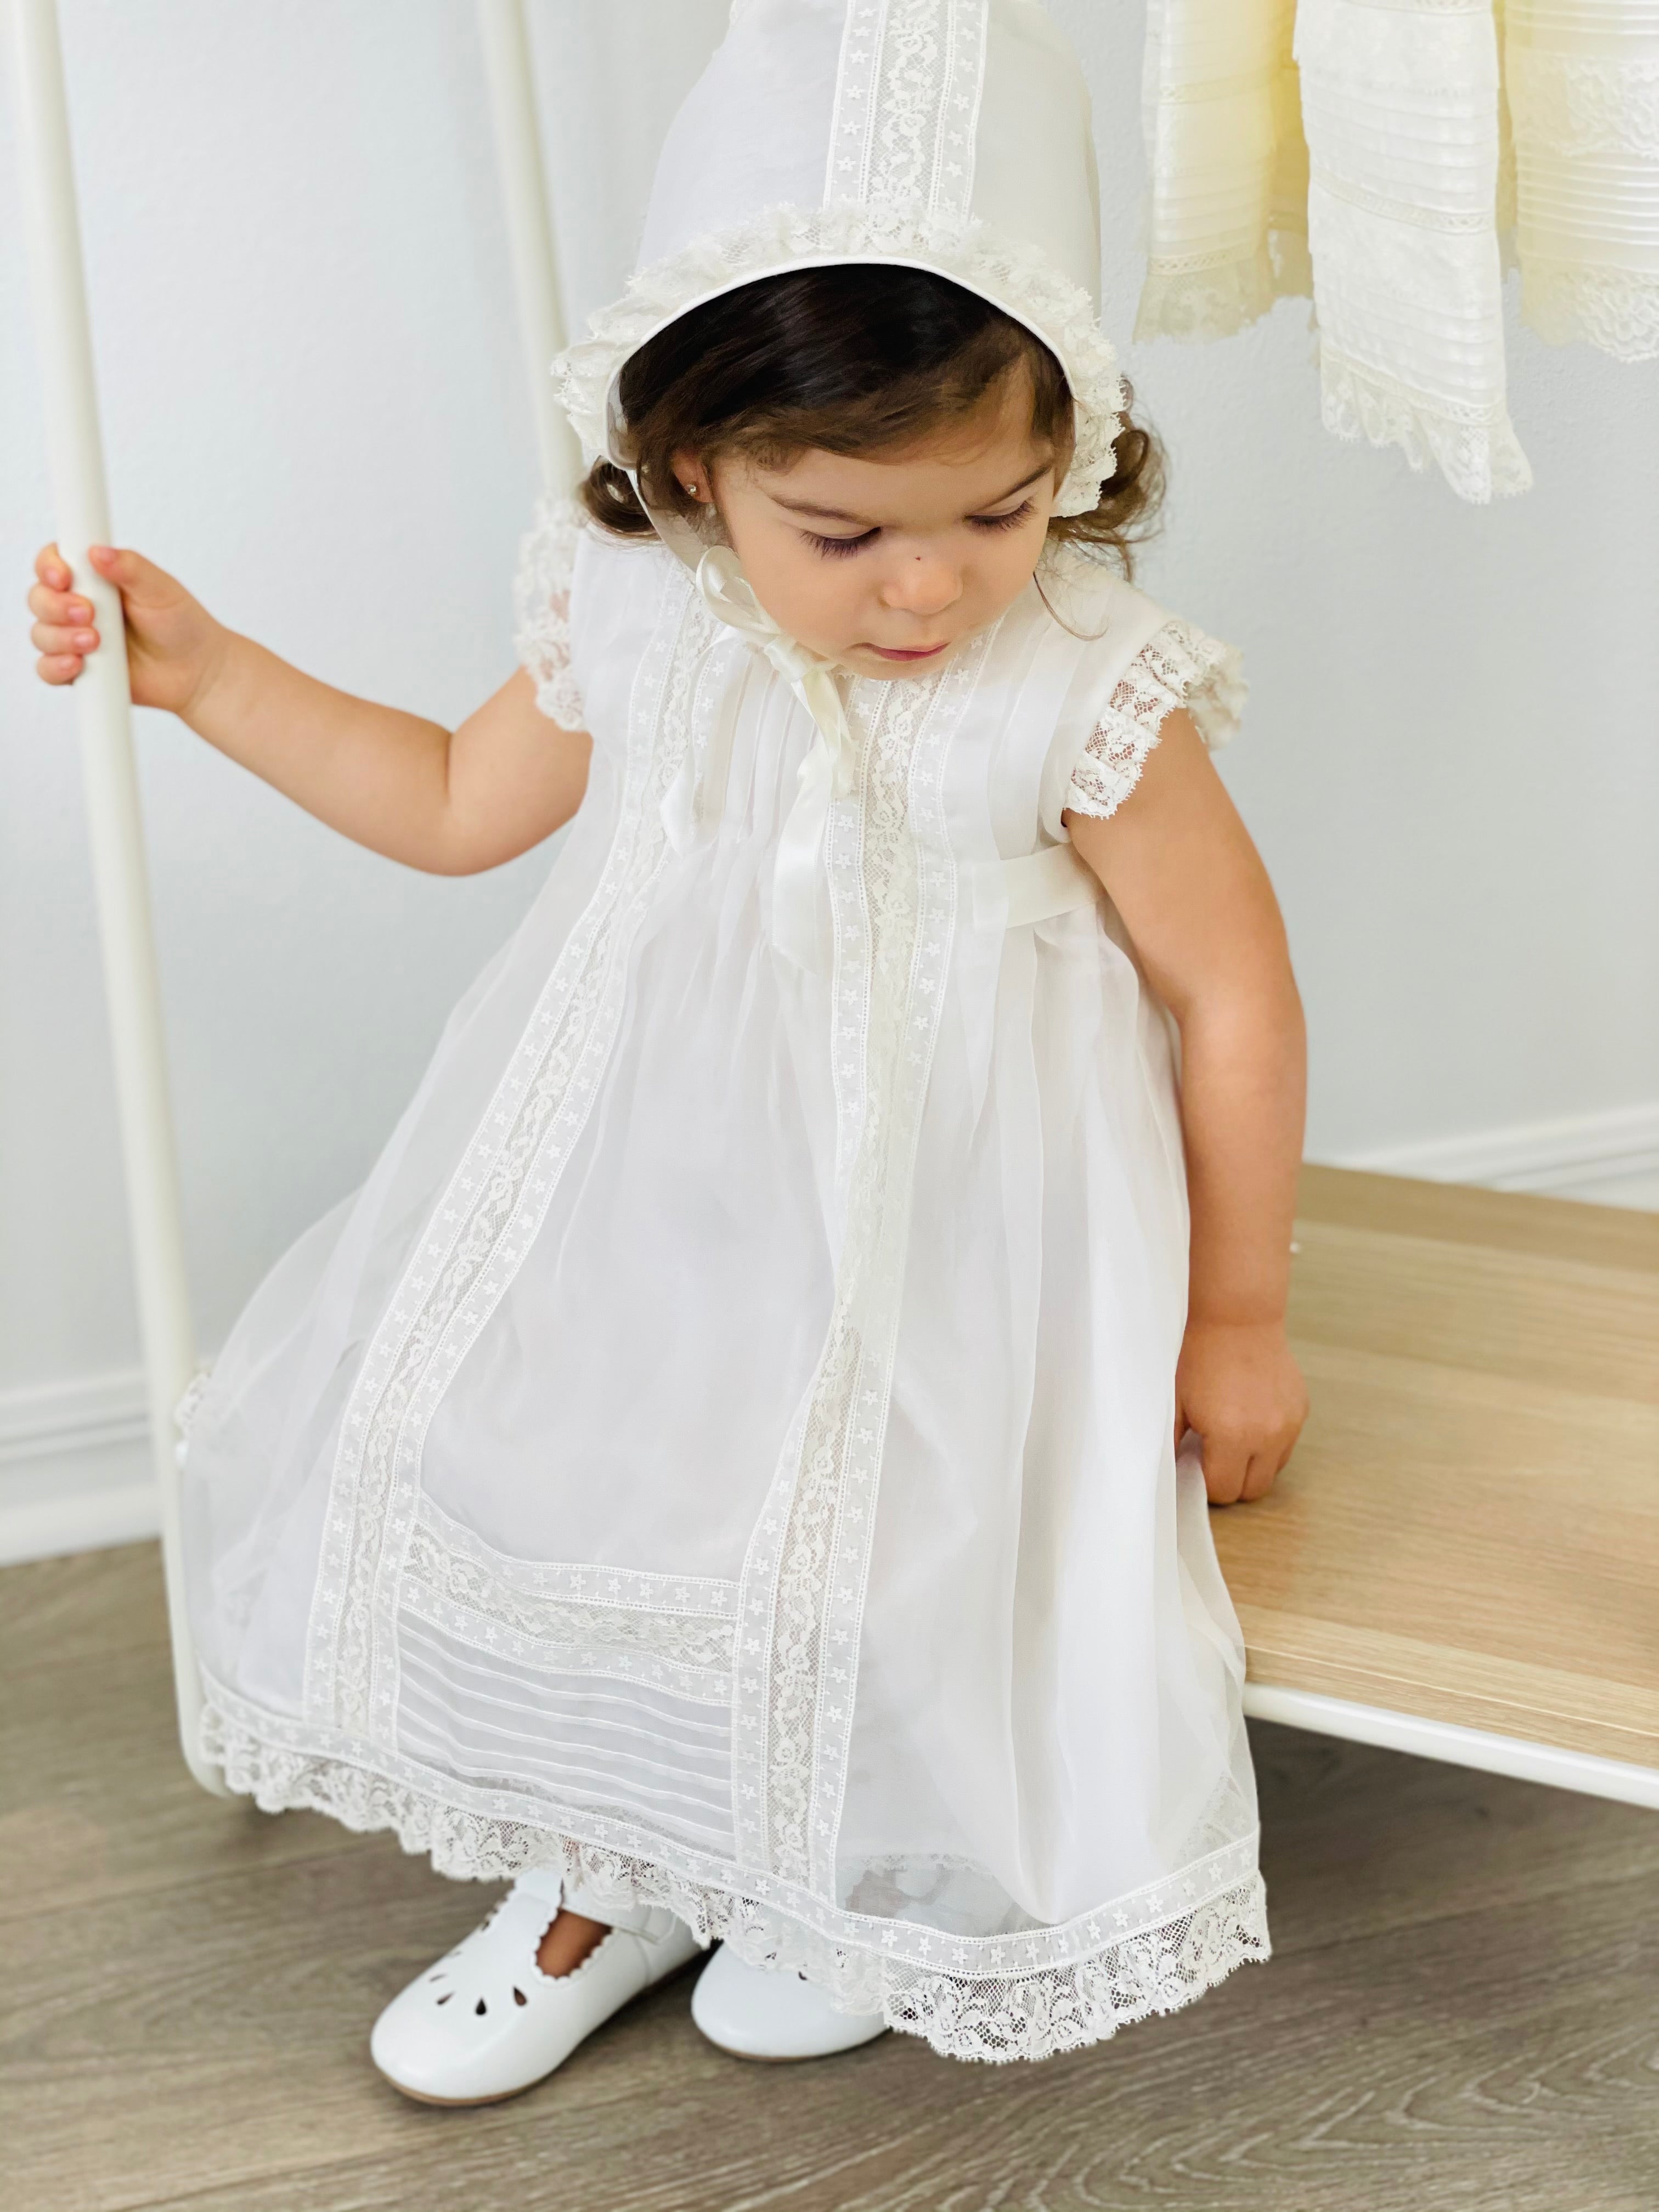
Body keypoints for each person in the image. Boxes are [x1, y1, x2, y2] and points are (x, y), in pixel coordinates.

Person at [25, 0, 1307, 2094]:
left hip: (957, 1225)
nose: (931, 590)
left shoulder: (1083, 674)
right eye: (845, 535)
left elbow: (1231, 990)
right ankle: (607, 1863)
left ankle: (862, 1866)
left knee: (899, 1542)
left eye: (1000, 511)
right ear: (697, 465)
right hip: (667, 1186)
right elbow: (456, 798)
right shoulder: (635, 602)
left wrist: (1236, 1314)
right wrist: (214, 677)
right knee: (566, 1477)